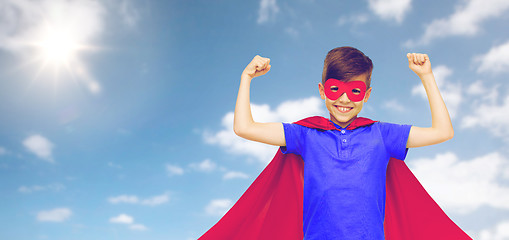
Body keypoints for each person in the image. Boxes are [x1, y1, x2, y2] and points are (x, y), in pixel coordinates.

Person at [199, 47, 471, 240]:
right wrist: (246, 78)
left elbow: (442, 132)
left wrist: (427, 77)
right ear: (322, 91)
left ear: (367, 96)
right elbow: (244, 128)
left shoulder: (382, 135)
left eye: (355, 91)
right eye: (335, 89)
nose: (344, 100)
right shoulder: (306, 135)